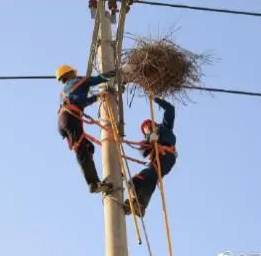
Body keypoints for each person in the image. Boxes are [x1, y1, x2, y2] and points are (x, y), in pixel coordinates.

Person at [56, 64, 135, 194]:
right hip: (70, 118)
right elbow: (100, 78)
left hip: (63, 120)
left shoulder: (64, 91)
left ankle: (95, 180)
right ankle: (93, 183)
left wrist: (97, 97)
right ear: (70, 74)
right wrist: (121, 70)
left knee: (87, 147)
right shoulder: (79, 80)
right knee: (81, 150)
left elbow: (80, 102)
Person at [124, 95, 177, 217]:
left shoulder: (164, 128)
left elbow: (170, 109)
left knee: (151, 175)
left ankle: (140, 204)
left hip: (167, 157)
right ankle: (136, 202)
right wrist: (150, 142)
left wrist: (156, 99)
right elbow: (144, 153)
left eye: (149, 125)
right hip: (155, 162)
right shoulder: (146, 142)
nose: (147, 128)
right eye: (145, 129)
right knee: (139, 179)